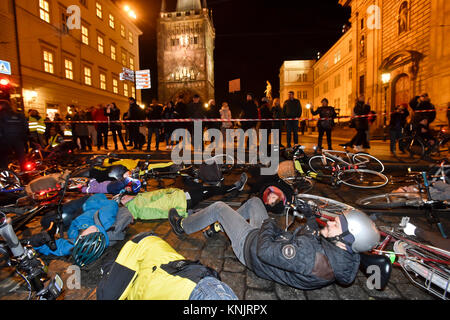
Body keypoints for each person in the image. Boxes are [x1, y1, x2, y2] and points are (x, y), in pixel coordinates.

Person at [168, 196, 380, 290]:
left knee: (219, 207)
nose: (332, 221)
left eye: (338, 224)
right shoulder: (344, 253)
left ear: (345, 238)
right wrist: (310, 218)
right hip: (272, 238)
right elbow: (313, 239)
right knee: (254, 202)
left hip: (251, 248)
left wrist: (269, 223)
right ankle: (219, 227)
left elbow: (265, 251)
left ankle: (183, 226)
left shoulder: (310, 258)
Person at [96, 233, 237, 300]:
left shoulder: (139, 244)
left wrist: (107, 271)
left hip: (198, 293)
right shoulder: (143, 266)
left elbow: (107, 295)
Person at [120, 173, 248, 220]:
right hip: (183, 201)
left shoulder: (138, 199)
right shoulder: (139, 209)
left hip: (180, 195)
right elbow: (162, 211)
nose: (125, 197)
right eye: (123, 199)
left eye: (124, 196)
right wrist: (183, 213)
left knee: (205, 188)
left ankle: (228, 186)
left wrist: (174, 190)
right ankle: (236, 186)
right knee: (211, 191)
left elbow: (159, 194)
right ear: (126, 205)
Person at [0, 100, 28, 170]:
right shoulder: (19, 115)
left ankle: (6, 175)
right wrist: (23, 138)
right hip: (18, 140)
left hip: (4, 141)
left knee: (3, 159)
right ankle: (25, 176)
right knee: (21, 159)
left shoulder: (1, 115)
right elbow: (25, 127)